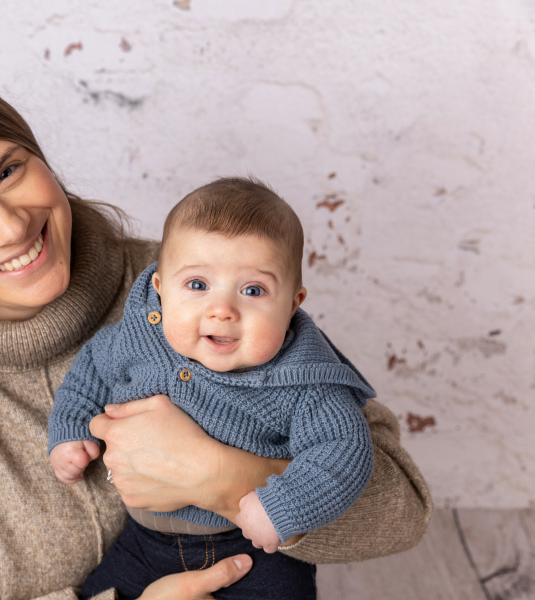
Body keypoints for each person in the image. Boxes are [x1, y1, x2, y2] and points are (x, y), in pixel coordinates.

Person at [0, 67, 433, 600]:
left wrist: (221, 477)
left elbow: (401, 511)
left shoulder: (205, 285)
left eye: (9, 172)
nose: (10, 225)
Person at [49, 178, 376, 599]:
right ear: (160, 288)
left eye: (253, 290)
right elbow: (90, 369)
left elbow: (345, 449)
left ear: (293, 304)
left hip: (251, 550)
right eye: (198, 285)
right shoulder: (137, 340)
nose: (222, 311)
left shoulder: (303, 380)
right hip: (144, 543)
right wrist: (70, 429)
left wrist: (284, 506)